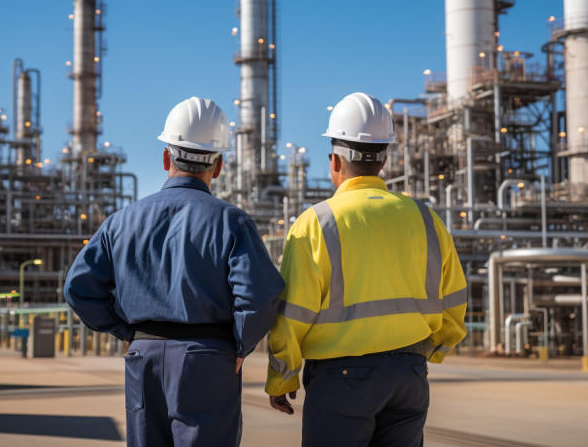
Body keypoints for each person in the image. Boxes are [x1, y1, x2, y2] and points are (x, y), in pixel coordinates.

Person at [65, 96, 285, 447]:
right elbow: (259, 294)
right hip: (207, 357)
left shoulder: (121, 221)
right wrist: (240, 345)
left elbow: (78, 288)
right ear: (219, 166)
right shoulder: (231, 222)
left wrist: (128, 332)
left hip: (144, 355)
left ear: (166, 158)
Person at [265, 92, 467, 446]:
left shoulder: (316, 223)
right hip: (409, 374)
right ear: (383, 160)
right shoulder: (426, 218)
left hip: (341, 379)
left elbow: (292, 313)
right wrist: (431, 352)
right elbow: (454, 297)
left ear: (335, 162)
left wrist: (283, 379)